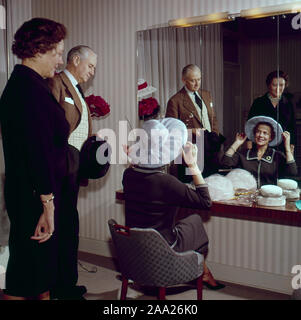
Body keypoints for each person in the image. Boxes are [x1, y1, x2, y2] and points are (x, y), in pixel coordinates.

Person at [0, 18, 68, 300]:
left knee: (36, 271)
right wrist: (47, 204)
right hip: (34, 196)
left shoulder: (27, 84)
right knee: (25, 273)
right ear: (39, 50)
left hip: (30, 192)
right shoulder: (29, 91)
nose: (61, 60)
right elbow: (37, 152)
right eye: (58, 52)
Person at [123, 118, 225, 290]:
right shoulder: (167, 182)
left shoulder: (128, 175)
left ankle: (204, 273)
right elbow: (205, 202)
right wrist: (192, 164)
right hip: (163, 249)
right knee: (194, 221)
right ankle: (200, 272)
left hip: (137, 248)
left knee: (184, 222)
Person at [47, 45, 97, 300]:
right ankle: (56, 286)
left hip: (73, 166)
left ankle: (67, 283)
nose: (92, 72)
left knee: (69, 225)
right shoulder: (56, 84)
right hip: (59, 166)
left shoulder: (78, 90)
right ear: (75, 60)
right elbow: (49, 127)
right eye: (90, 66)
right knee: (58, 226)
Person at [165, 64, 223, 179]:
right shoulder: (175, 101)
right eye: (192, 81)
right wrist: (192, 131)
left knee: (212, 182)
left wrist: (215, 135)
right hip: (190, 151)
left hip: (210, 147)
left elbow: (213, 119)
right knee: (192, 185)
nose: (197, 84)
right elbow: (171, 130)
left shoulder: (206, 95)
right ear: (184, 80)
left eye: (199, 79)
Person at [221, 116, 297, 188]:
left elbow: (292, 172)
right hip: (247, 197)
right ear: (254, 134)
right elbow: (225, 163)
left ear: (271, 137)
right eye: (258, 132)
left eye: (265, 133)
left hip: (269, 198)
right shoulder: (244, 154)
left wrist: (287, 147)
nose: (261, 135)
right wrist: (237, 143)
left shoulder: (277, 155)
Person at [247, 70, 296, 153]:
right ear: (268, 85)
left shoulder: (289, 103)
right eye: (274, 85)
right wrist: (249, 145)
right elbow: (250, 124)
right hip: (261, 145)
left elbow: (292, 127)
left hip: (283, 147)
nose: (278, 88)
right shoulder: (258, 102)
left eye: (281, 85)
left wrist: (291, 146)